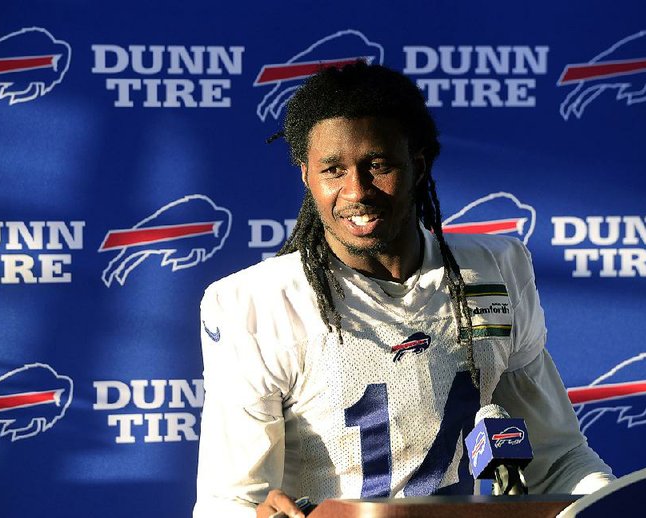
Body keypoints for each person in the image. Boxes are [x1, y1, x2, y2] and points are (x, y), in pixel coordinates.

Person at [193, 62, 613, 518]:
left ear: (417, 164)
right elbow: (230, 501)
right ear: (306, 176)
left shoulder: (494, 271)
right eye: (333, 169)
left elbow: (558, 459)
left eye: (377, 165)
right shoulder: (255, 304)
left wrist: (612, 503)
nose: (356, 190)